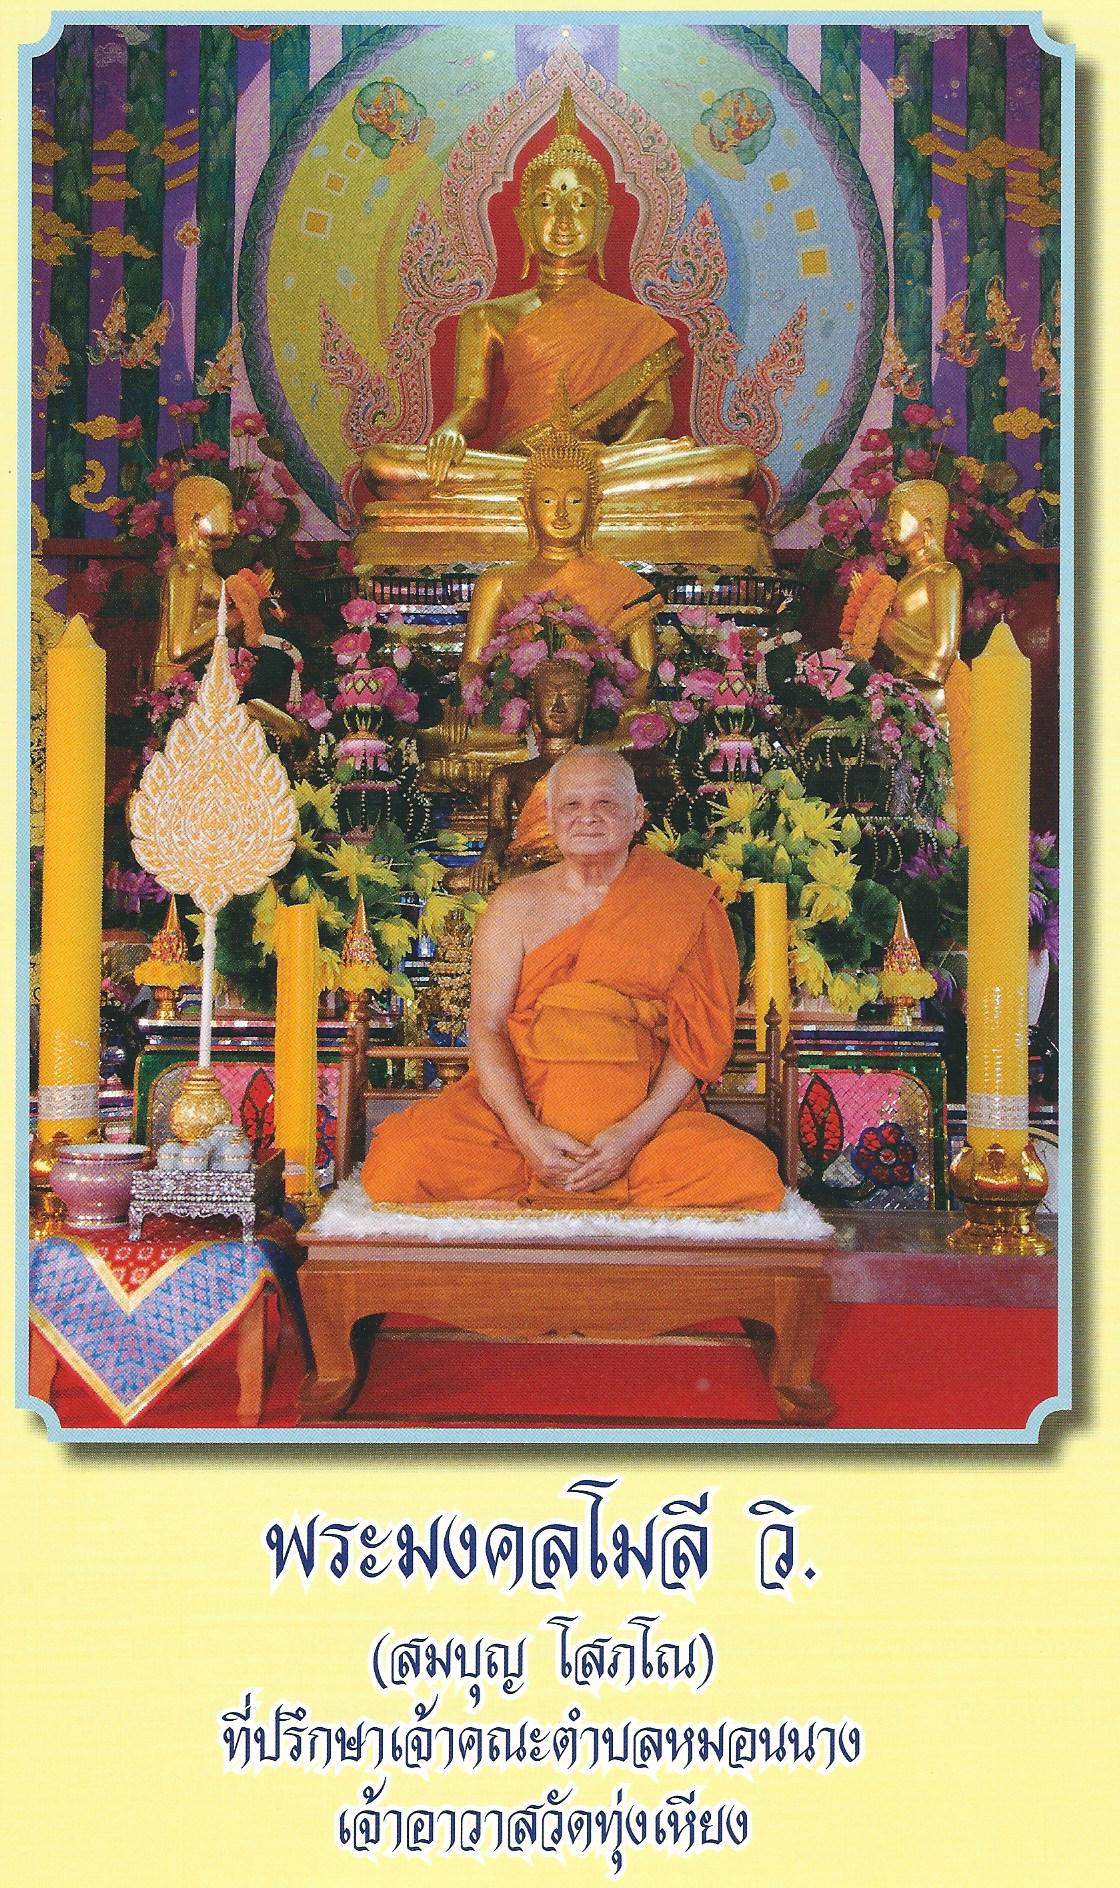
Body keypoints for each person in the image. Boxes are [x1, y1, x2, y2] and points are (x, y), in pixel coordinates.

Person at [357, 89, 766, 570]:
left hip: (606, 470)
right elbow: (473, 404)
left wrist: (605, 461)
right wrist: (449, 431)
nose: (565, 219)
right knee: (385, 467)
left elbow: (659, 409)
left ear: (604, 221)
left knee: (736, 466)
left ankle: (583, 492)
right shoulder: (487, 317)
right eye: (548, 203)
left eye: (582, 204)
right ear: (524, 220)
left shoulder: (639, 323)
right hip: (519, 471)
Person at [362, 746, 785, 1209]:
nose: (588, 817)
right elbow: (486, 1026)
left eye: (605, 802)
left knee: (746, 1172)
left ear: (637, 813)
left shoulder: (682, 900)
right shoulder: (514, 904)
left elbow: (695, 1041)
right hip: (523, 1113)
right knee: (400, 1161)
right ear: (548, 816)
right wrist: (527, 1134)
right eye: (571, 804)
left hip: (645, 1120)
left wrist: (633, 1133)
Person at [444, 653, 591, 893]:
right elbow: (498, 832)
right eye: (549, 695)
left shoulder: (603, 770)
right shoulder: (507, 775)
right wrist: (488, 860)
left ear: (584, 708)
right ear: (533, 706)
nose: (559, 706)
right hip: (529, 863)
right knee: (454, 881)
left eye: (570, 696)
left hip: (585, 862)